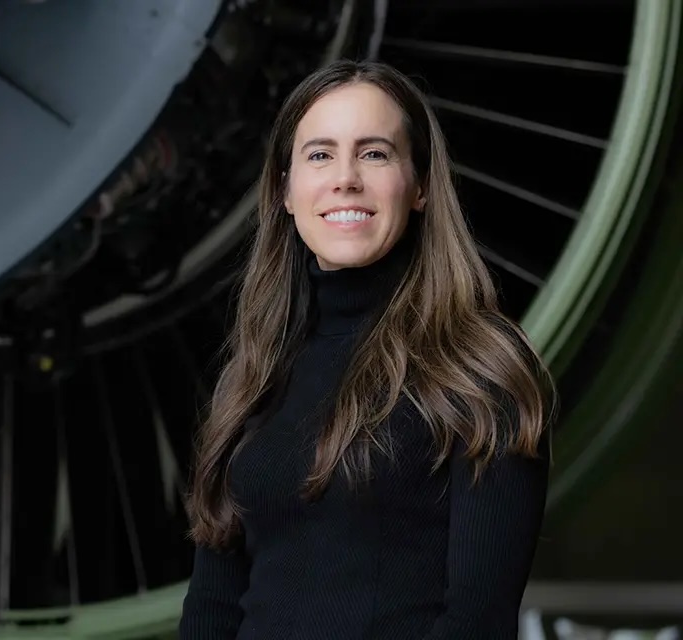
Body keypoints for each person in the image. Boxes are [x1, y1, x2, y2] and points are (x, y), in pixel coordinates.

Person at [178, 58, 556, 639]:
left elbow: (477, 621)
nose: (345, 178)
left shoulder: (479, 367)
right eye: (320, 154)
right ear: (285, 188)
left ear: (422, 185)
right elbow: (212, 609)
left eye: (375, 153)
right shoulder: (253, 376)